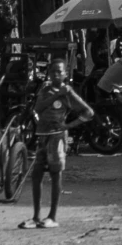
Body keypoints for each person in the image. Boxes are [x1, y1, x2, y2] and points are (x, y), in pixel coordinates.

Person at [22, 51, 93, 228]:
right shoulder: (46, 90)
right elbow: (37, 108)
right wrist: (55, 95)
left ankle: (52, 216)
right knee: (36, 174)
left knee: (55, 175)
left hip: (57, 138)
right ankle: (36, 216)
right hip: (42, 137)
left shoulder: (68, 94)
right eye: (53, 72)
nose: (56, 75)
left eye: (59, 72)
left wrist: (69, 126)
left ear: (65, 74)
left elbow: (88, 112)